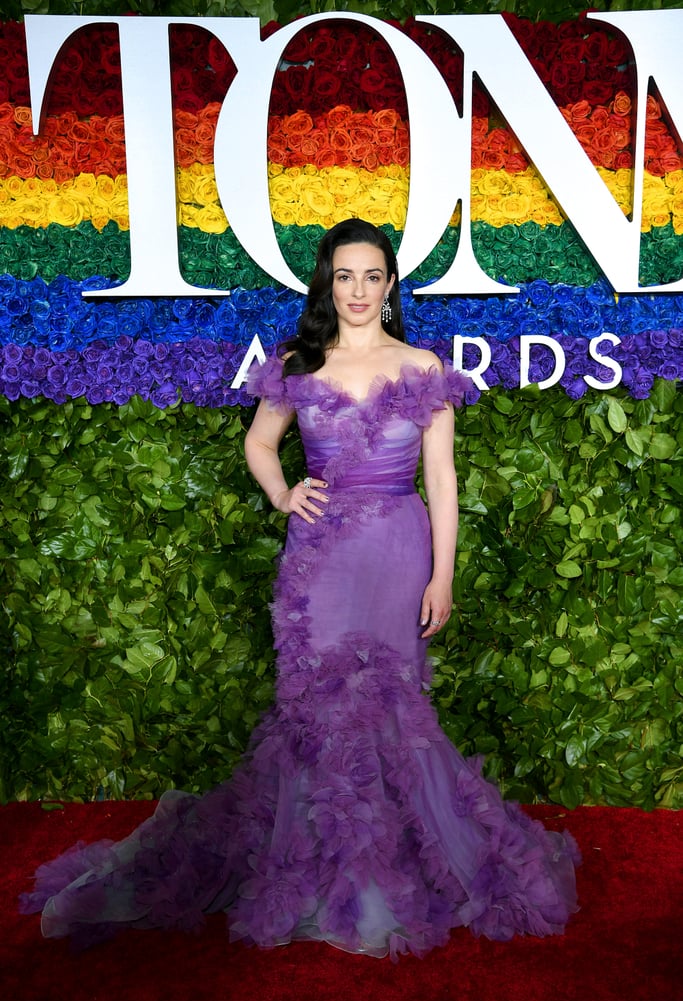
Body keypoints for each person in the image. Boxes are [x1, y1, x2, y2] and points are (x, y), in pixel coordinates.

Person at [20, 218, 579, 960]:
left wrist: (443, 573)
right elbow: (258, 441)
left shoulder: (422, 365)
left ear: (388, 287)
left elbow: (440, 480)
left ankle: (388, 872)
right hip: (320, 559)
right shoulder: (297, 363)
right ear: (327, 283)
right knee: (317, 711)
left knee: (393, 707)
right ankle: (326, 874)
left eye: (371, 276)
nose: (356, 289)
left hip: (398, 549)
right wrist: (284, 494)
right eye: (343, 276)